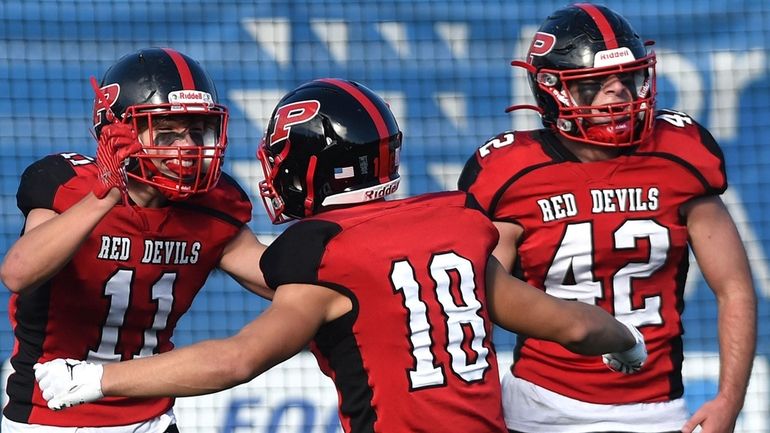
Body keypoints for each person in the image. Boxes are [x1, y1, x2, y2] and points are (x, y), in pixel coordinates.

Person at [33, 78, 647, 433]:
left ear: (305, 168)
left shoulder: (325, 251)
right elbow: (569, 322)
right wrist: (624, 340)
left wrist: (95, 378)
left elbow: (238, 359)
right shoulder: (453, 223)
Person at [458, 4, 757, 433]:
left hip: (658, 411)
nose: (618, 93)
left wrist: (730, 399)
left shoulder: (678, 153)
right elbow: (474, 305)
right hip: (540, 407)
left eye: (628, 79)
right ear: (553, 90)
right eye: (595, 84)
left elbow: (735, 288)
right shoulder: (511, 171)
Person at [0, 47, 270, 432]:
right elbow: (18, 273)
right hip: (48, 415)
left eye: (197, 130)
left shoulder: (214, 206)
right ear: (117, 134)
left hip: (150, 419)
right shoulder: (67, 185)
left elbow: (285, 282)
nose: (189, 148)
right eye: (167, 132)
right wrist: (106, 195)